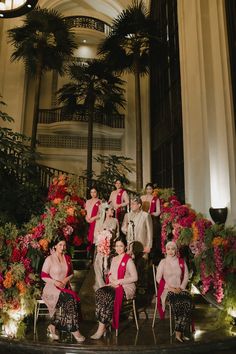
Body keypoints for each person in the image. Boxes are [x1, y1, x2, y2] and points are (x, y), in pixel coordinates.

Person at [90, 236, 138, 339]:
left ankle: (101, 328)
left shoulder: (128, 260)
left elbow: (135, 277)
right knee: (100, 292)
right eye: (117, 246)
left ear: (125, 247)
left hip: (126, 286)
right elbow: (111, 274)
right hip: (114, 285)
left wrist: (119, 282)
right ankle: (103, 322)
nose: (118, 248)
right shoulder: (114, 258)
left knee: (107, 295)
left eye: (121, 246)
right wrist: (112, 281)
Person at [41, 234, 85, 342]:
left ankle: (53, 325)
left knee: (72, 300)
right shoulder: (49, 259)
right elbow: (43, 275)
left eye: (64, 245)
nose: (62, 247)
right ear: (55, 246)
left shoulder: (67, 258)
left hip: (64, 287)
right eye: (60, 245)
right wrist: (55, 282)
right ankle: (74, 330)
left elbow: (71, 273)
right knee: (70, 299)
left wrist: (65, 280)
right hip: (52, 287)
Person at [155, 241, 193, 343]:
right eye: (168, 249)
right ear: (166, 250)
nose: (171, 251)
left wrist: (181, 287)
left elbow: (186, 276)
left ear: (176, 250)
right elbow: (158, 278)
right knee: (178, 303)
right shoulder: (163, 262)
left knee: (188, 302)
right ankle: (179, 333)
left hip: (180, 289)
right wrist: (170, 288)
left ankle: (179, 330)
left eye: (173, 249)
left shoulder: (181, 261)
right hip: (167, 290)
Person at [121, 196, 153, 288]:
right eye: (131, 204)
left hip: (143, 245)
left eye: (134, 204)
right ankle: (132, 287)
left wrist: (149, 245)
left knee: (142, 267)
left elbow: (150, 232)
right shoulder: (128, 215)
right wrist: (127, 228)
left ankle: (142, 288)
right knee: (131, 267)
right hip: (131, 245)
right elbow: (123, 228)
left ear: (139, 205)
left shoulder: (146, 215)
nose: (132, 205)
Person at [93, 202, 120, 290]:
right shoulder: (100, 221)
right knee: (99, 267)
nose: (113, 211)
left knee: (109, 268)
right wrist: (102, 242)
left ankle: (109, 287)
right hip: (101, 249)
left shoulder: (115, 221)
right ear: (106, 211)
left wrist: (111, 239)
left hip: (111, 248)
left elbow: (118, 234)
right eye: (111, 209)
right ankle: (101, 288)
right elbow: (96, 235)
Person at [141, 183, 161, 263]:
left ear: (152, 190)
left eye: (150, 189)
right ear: (145, 190)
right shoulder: (142, 198)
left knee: (152, 236)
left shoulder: (156, 199)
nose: (148, 190)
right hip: (143, 219)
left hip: (152, 219)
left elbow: (158, 212)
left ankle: (153, 257)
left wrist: (151, 213)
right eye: (147, 188)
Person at [85, 186, 101, 253]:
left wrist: (93, 218)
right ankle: (87, 252)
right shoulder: (87, 201)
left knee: (93, 238)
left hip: (95, 222)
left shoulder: (100, 201)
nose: (93, 194)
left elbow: (101, 214)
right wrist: (87, 218)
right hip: (87, 222)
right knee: (87, 238)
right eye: (91, 192)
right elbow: (85, 212)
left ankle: (92, 253)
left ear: (97, 193)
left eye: (94, 192)